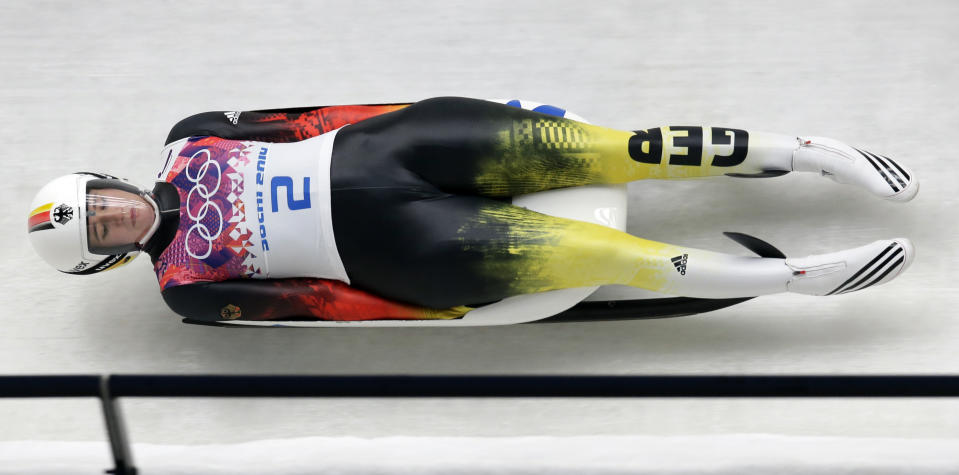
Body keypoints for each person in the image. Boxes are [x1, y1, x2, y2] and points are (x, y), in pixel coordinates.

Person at [26, 97, 918, 322]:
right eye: (101, 230)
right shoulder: (184, 286)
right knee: (601, 254)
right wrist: (427, 312)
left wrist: (408, 111)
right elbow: (314, 310)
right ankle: (790, 278)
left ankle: (798, 152)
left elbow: (307, 116)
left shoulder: (188, 137)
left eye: (100, 202)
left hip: (392, 147)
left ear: (109, 181)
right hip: (399, 244)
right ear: (107, 254)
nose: (114, 215)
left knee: (615, 147)